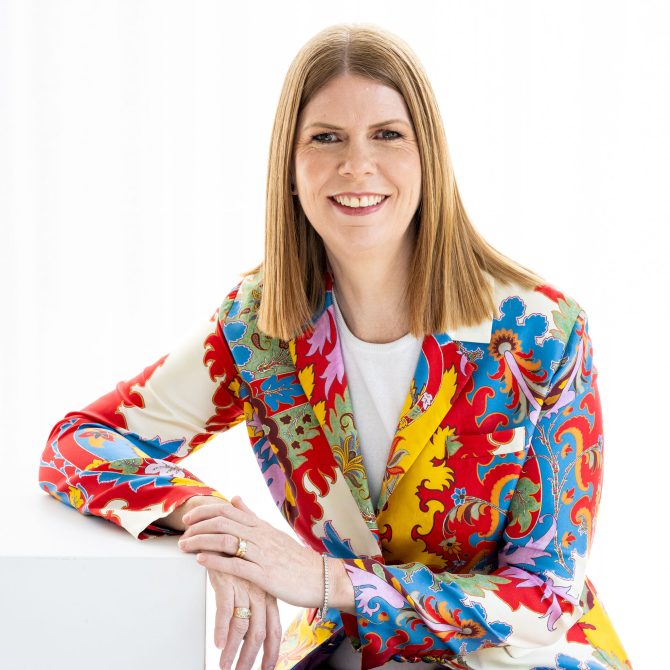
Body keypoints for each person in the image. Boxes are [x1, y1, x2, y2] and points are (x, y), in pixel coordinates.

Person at [38, 22, 632, 670]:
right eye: (326, 138)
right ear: (290, 170)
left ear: (428, 158)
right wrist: (217, 528)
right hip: (348, 655)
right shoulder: (259, 327)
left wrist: (328, 583)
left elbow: (542, 600)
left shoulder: (540, 333)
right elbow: (79, 443)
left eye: (387, 135)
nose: (357, 166)